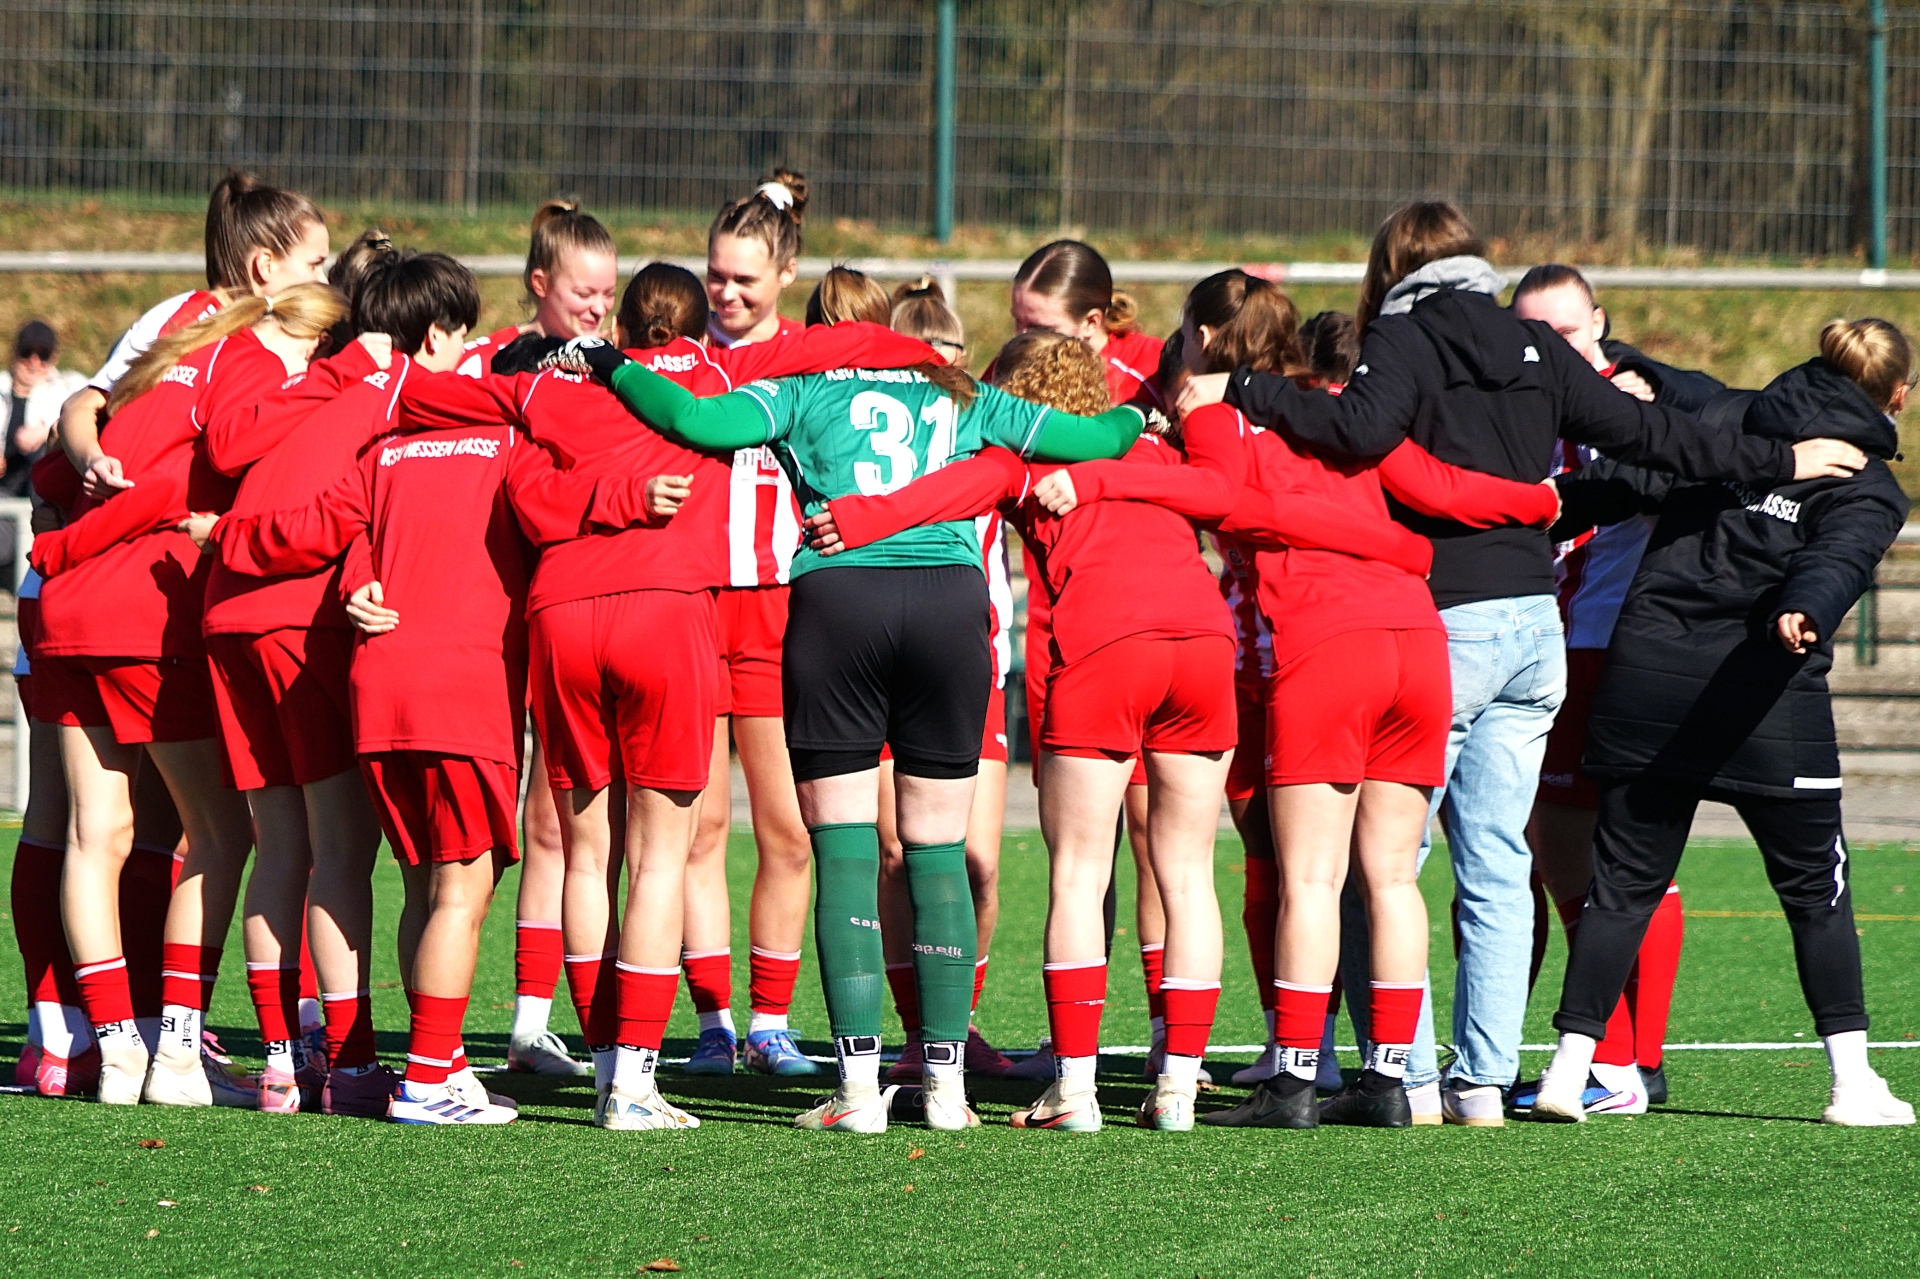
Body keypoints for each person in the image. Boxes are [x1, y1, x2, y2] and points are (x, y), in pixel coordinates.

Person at [1180, 200, 1868, 1126]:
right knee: (1500, 859)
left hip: (1445, 617)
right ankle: (1479, 1083)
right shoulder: (1533, 341)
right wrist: (1781, 456)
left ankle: (1400, 1078)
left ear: (1392, 267)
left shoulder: (1405, 335)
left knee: (1385, 863)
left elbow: (1362, 431)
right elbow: (1652, 434)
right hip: (1534, 626)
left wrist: (1245, 391)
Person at [552, 318, 1148, 1134]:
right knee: (936, 850)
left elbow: (692, 419)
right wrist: (1144, 413)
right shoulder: (962, 392)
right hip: (947, 607)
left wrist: (610, 363)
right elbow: (1101, 438)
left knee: (844, 849)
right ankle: (947, 1090)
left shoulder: (803, 388)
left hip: (840, 603)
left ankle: (859, 1090)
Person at [203, 286, 675, 1124]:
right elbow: (552, 504)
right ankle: (428, 1079)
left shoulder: (386, 448)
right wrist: (632, 497)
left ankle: (436, 1060)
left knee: (423, 881)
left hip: (378, 692)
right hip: (462, 689)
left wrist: (244, 544)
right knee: (463, 886)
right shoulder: (507, 442)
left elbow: (335, 531)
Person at [1534, 318, 1914, 1127]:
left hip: (1644, 685)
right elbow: (1838, 560)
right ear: (1898, 397)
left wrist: (1536, 507)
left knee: (1619, 888)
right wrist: (1806, 609)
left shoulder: (1727, 417)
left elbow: (1637, 464)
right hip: (1763, 701)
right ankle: (1852, 1084)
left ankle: (1569, 1068)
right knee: (1817, 891)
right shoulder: (1870, 483)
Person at [29, 281, 346, 1106]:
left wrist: (61, 549)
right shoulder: (251, 364)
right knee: (220, 833)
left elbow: (55, 466)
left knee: (95, 832)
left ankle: (115, 1047)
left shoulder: (173, 346)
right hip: (144, 610)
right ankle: (174, 1054)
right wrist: (334, 382)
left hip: (65, 608)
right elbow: (211, 466)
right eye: (315, 260)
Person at [198, 247, 472, 1117]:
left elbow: (239, 451)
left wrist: (227, 540)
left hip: (226, 616)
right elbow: (346, 511)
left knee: (281, 847)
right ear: (433, 334)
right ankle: (349, 1065)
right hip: (294, 620)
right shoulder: (399, 395)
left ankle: (284, 1062)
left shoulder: (322, 380)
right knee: (341, 853)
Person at [1510, 264, 1729, 1116]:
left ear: (1599, 324)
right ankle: (1623, 1055)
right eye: (1532, 332)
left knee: (1591, 848)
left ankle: (1622, 1058)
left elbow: (1716, 410)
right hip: (1553, 640)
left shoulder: (1635, 403)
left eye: (1565, 330)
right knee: (1575, 850)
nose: (1550, 347)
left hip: (1605, 647)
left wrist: (1650, 389)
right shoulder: (1522, 403)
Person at [1000, 239, 1177, 1083]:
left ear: (1093, 323)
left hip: (1138, 625)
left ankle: (1167, 1032)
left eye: (1037, 324)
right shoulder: (1021, 378)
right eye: (1016, 322)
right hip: (1059, 628)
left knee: (1154, 838)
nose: (1021, 338)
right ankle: (1077, 1036)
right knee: (1080, 844)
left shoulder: (1153, 379)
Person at [677, 171, 822, 1079]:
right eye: (716, 276)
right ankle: (712, 1020)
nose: (725, 294)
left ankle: (771, 1020)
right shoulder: (677, 356)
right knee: (695, 829)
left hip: (778, 609)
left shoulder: (814, 359)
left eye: (745, 280)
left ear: (786, 273)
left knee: (789, 830)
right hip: (690, 607)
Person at [479, 199, 620, 1080]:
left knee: (575, 822)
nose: (597, 308)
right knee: (544, 819)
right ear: (539, 285)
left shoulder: (616, 367)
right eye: (581, 292)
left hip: (591, 605)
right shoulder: (503, 360)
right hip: (521, 604)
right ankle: (532, 1023)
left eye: (607, 292)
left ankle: (567, 1024)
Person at [876, 282, 1016, 1084]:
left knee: (979, 862)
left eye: (951, 358)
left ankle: (958, 1022)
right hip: (884, 657)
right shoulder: (865, 434)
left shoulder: (983, 426)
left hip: (973, 662)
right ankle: (915, 1034)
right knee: (899, 855)